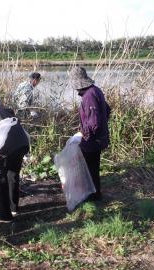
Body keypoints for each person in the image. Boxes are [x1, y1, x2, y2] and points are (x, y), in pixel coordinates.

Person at [0, 97, 30, 223]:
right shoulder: (8, 113)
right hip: (22, 145)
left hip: (7, 149)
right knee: (12, 175)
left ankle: (4, 215)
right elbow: (22, 131)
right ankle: (13, 208)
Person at [69, 66, 111, 201]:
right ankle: (95, 194)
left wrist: (81, 134)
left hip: (92, 140)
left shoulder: (89, 96)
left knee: (88, 169)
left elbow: (93, 122)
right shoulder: (95, 90)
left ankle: (92, 196)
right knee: (93, 167)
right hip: (98, 138)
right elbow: (107, 110)